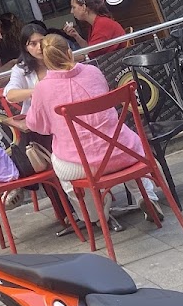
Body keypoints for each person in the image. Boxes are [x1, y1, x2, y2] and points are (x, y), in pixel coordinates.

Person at [24, 34, 159, 224]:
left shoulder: (42, 89)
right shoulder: (93, 72)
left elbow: (36, 126)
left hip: (83, 165)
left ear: (46, 60)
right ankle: (147, 197)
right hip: (125, 151)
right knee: (120, 146)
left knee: (58, 162)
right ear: (69, 52)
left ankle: (95, 213)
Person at [3, 23, 49, 109]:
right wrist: (39, 92)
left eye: (42, 41)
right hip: (34, 114)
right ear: (25, 48)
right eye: (33, 44)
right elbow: (10, 95)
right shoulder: (21, 69)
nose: (39, 47)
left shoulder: (59, 61)